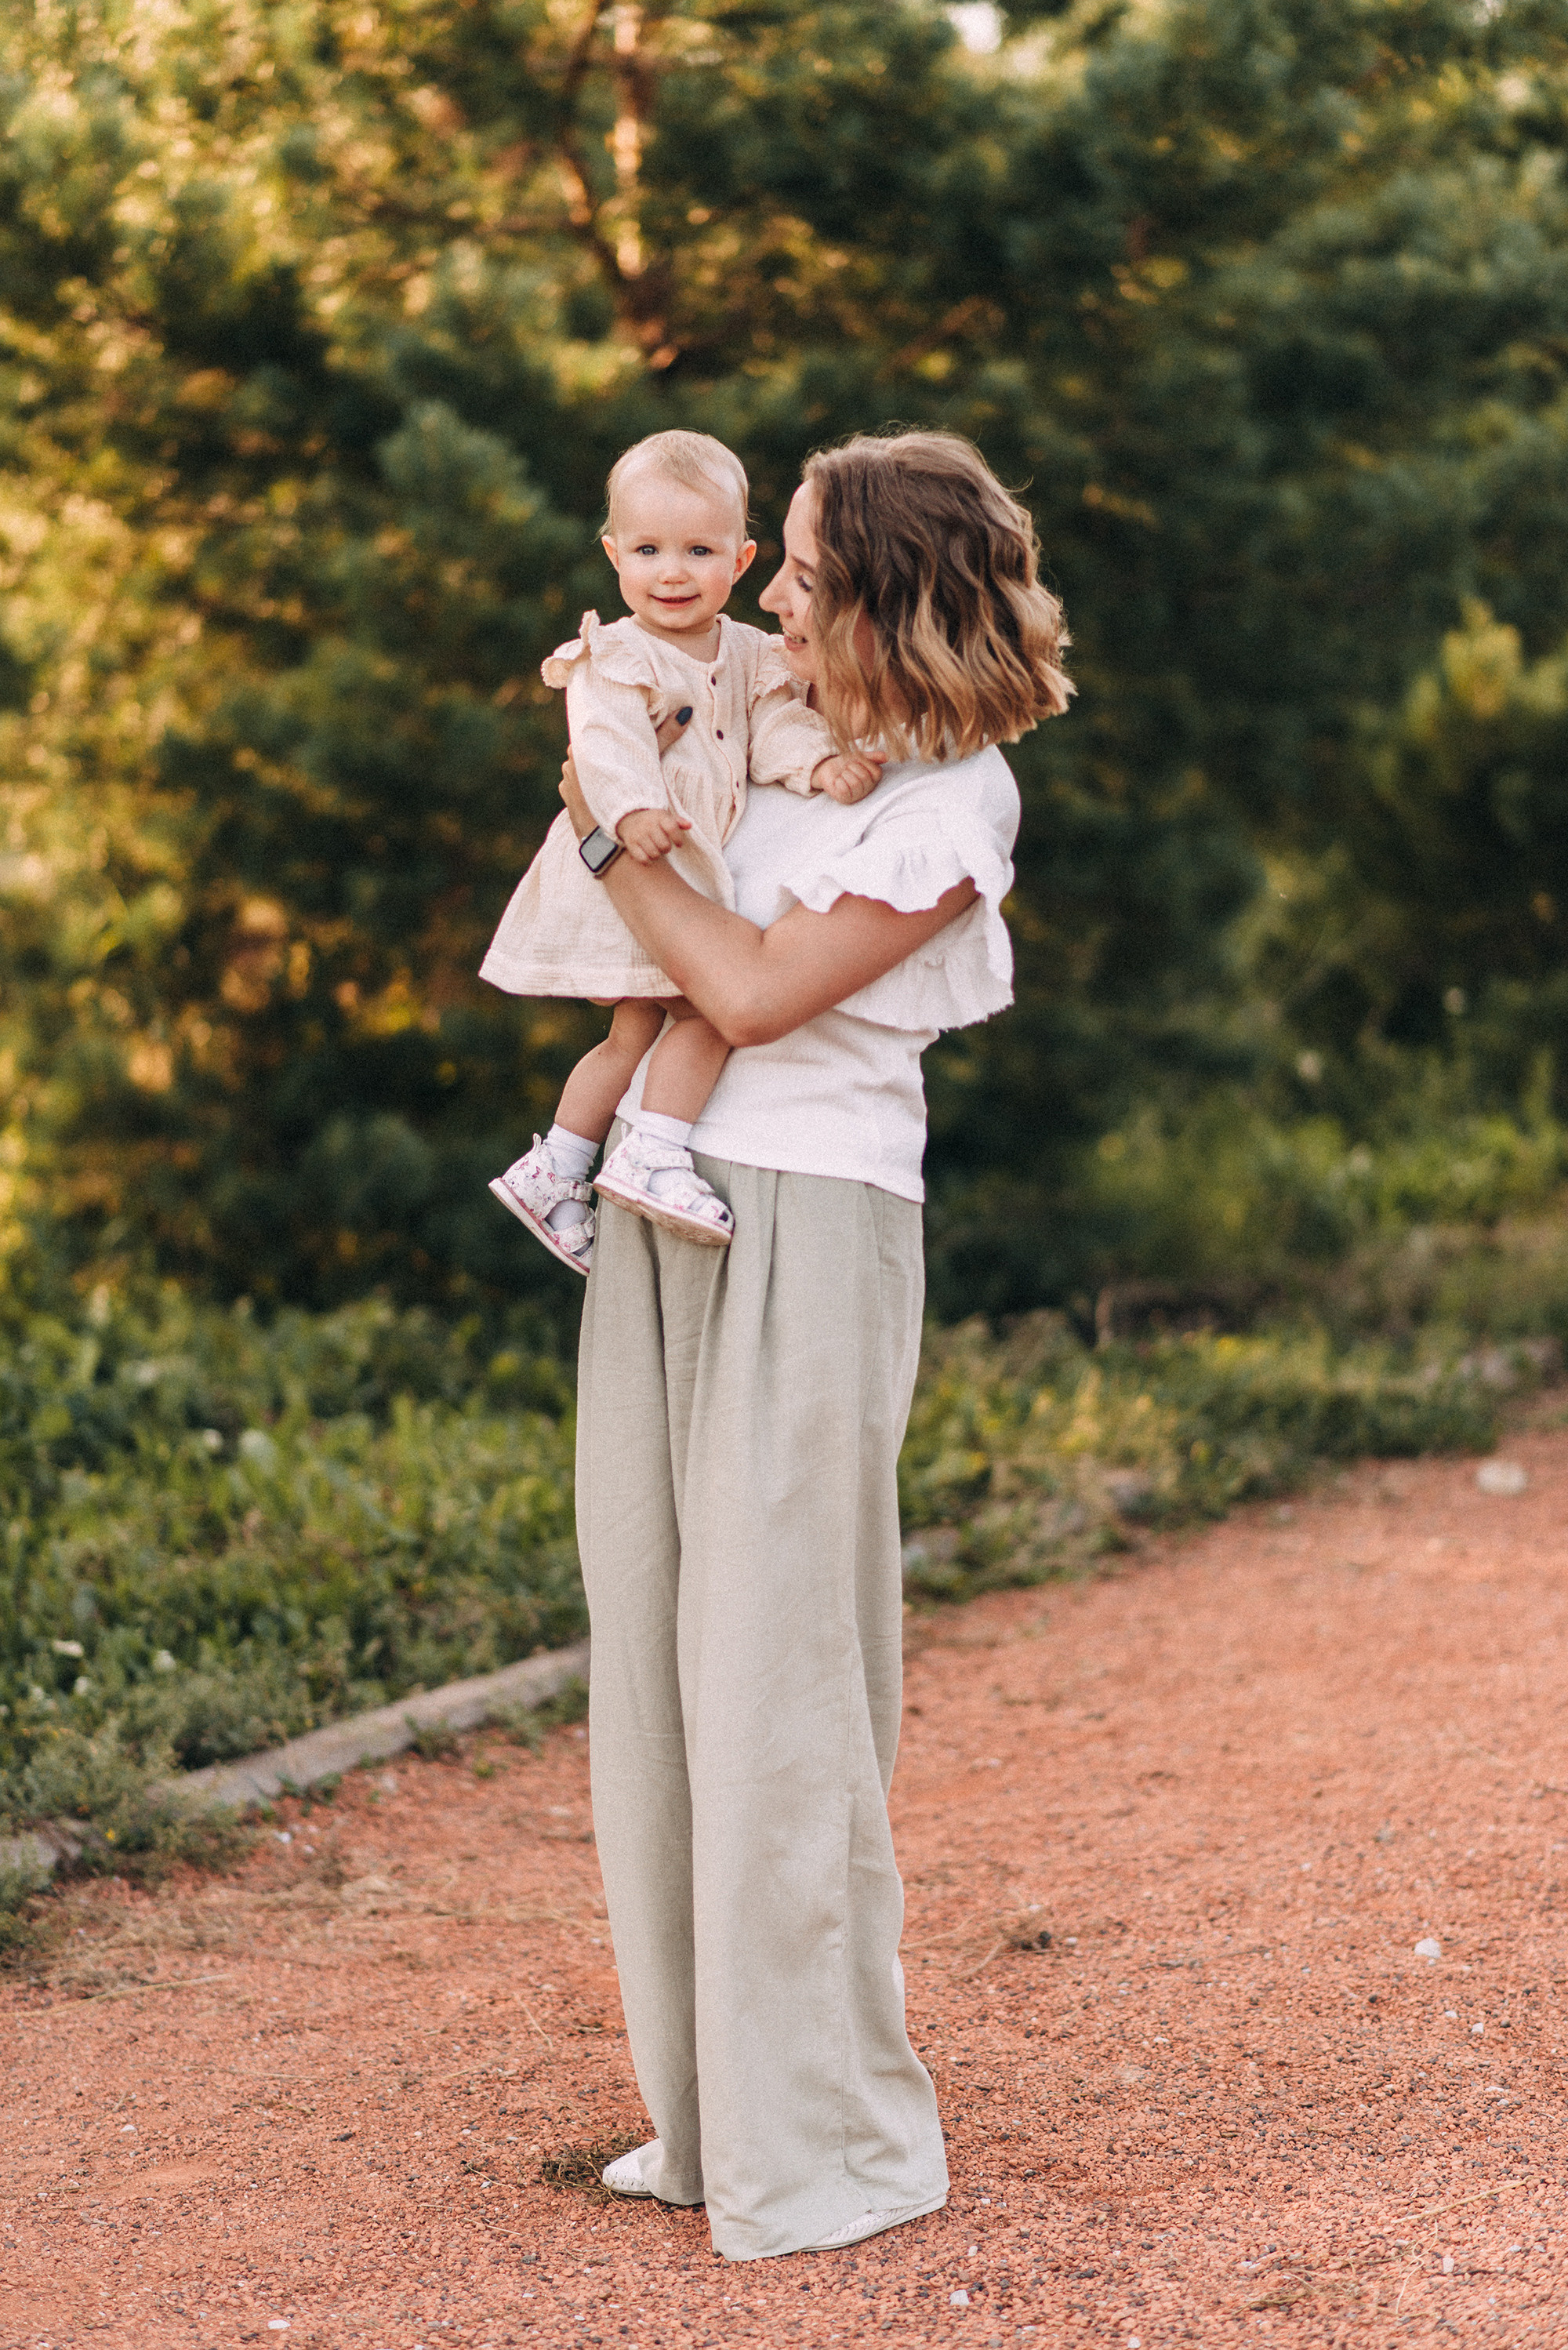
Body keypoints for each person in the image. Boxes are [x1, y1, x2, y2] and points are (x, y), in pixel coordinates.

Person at [564, 429, 1072, 2261]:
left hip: (814, 1219)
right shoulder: (769, 725)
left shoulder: (954, 801)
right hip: (665, 1201)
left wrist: (599, 834)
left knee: (779, 1683)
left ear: (880, 592)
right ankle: (711, 2115)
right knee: (657, 1667)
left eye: (798, 566)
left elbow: (755, 988)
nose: (770, 590)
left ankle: (832, 2138)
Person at [478, 429, 883, 1272]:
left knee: (632, 1034)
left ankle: (556, 1166)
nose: (672, 572)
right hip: (642, 854)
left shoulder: (749, 653)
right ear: (613, 555)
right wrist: (630, 813)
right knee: (701, 1014)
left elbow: (773, 727)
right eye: (648, 550)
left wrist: (816, 765)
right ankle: (655, 1151)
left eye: (698, 551)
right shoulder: (615, 653)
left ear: (740, 560)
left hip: (681, 864)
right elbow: (605, 745)